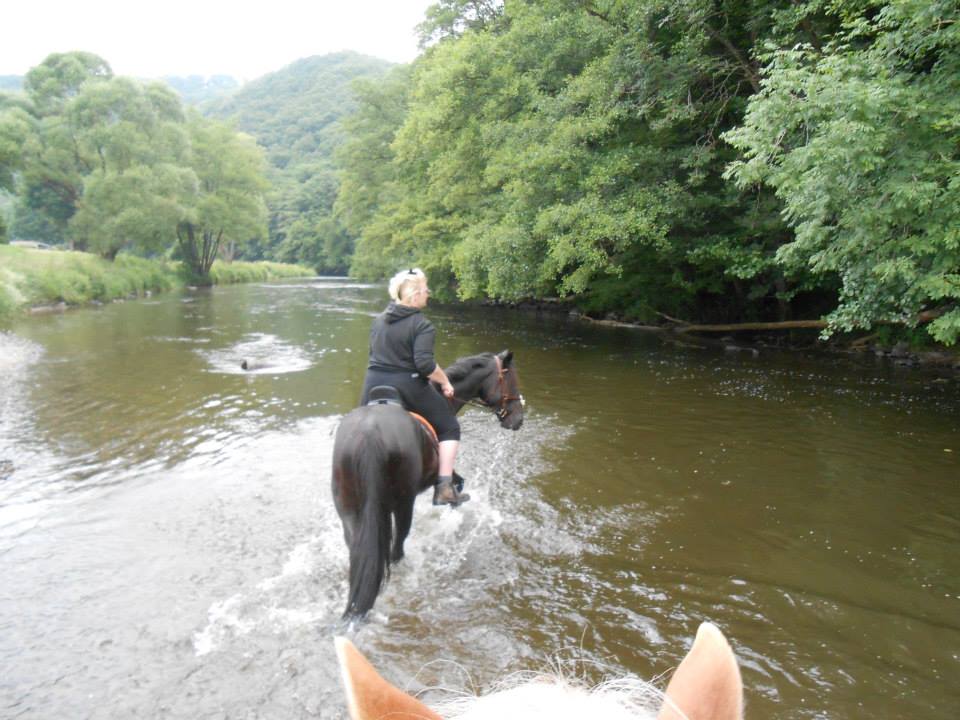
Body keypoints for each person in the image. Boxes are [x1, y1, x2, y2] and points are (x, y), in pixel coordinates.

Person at [360, 268, 469, 506]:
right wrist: (445, 381)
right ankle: (444, 487)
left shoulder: (378, 321)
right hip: (405, 385)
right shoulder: (422, 325)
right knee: (450, 427)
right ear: (416, 295)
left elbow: (374, 355)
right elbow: (425, 366)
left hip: (371, 384)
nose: (428, 295)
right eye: (426, 290)